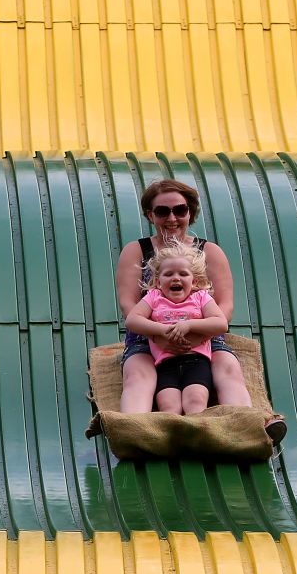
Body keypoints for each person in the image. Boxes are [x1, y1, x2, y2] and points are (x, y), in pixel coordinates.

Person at [115, 178, 287, 443]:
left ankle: (247, 427)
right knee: (138, 375)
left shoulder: (209, 252)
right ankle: (132, 431)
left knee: (228, 368)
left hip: (204, 335)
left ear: (190, 213)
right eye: (162, 211)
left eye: (179, 210)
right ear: (150, 215)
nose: (171, 218)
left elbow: (225, 308)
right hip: (148, 335)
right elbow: (129, 307)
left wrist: (195, 335)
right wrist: (160, 335)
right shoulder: (137, 251)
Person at [123, 240, 228, 414]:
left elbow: (221, 323)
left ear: (194, 281)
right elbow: (132, 320)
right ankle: (171, 438)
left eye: (183, 274)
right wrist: (161, 331)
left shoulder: (200, 297)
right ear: (157, 281)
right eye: (168, 274)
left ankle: (197, 436)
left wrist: (188, 325)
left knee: (195, 400)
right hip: (165, 363)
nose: (176, 278)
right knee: (169, 405)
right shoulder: (154, 296)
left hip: (196, 361)